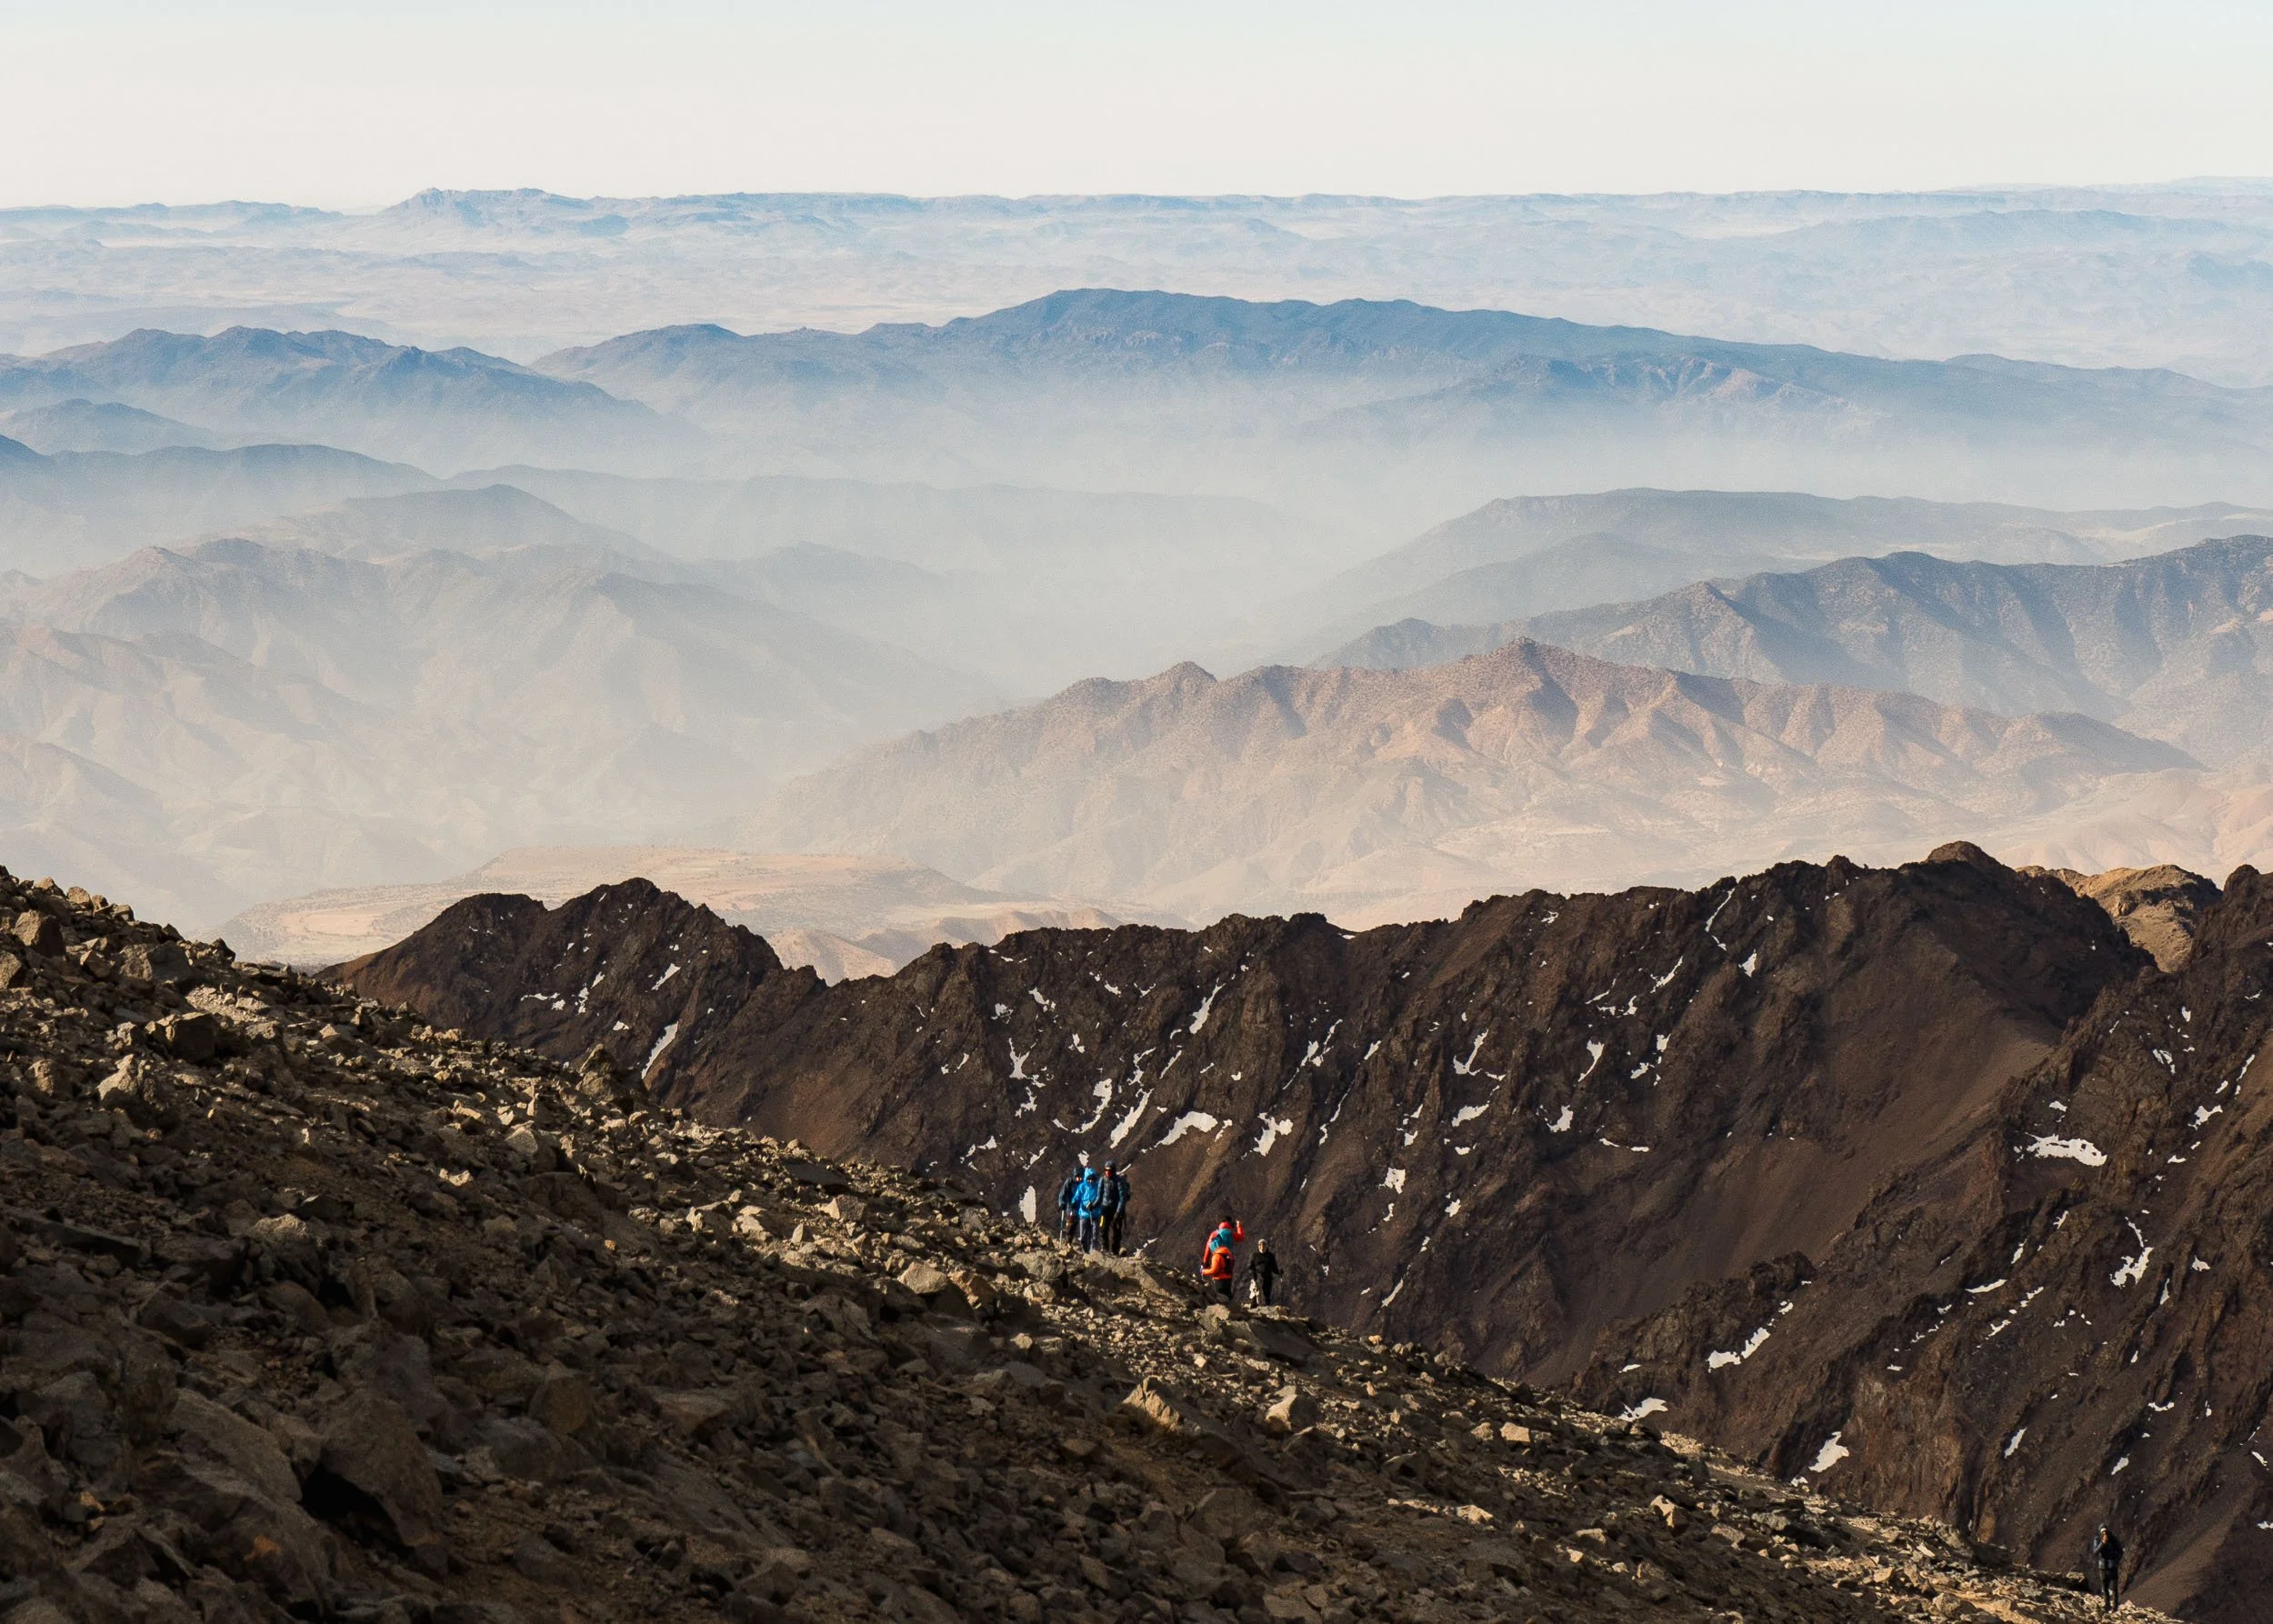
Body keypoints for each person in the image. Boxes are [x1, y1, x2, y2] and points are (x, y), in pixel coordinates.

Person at [1199, 1215, 1244, 1304]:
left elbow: (1207, 1249)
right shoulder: (1230, 1233)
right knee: (1228, 1287)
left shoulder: (1214, 1234)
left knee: (1220, 1292)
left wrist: (1204, 1264)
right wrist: (1239, 1226)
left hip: (1218, 1258)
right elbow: (1241, 1237)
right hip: (1228, 1259)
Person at [2088, 1525, 2123, 1613]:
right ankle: (2107, 1606)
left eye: (2105, 1531)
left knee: (2114, 1588)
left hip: (2112, 1567)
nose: (2104, 1533)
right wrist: (2103, 1543)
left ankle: (2115, 1607)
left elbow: (2120, 1551)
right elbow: (2095, 1552)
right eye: (2102, 1531)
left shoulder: (2113, 1539)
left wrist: (2116, 1560)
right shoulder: (2097, 1539)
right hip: (2103, 1567)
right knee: (2105, 1588)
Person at [1099, 1162, 1131, 1254]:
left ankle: (1113, 1251)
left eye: (1109, 1170)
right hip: (1107, 1209)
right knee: (1104, 1228)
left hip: (1116, 1210)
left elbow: (1122, 1198)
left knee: (1114, 1231)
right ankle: (1107, 1249)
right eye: (1106, 1170)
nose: (1107, 1172)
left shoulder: (1118, 1182)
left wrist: (1118, 1212)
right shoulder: (1104, 1181)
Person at [1073, 1166, 1105, 1251]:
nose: (1090, 1181)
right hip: (1084, 1214)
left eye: (1092, 1179)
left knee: (1094, 1234)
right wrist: (1073, 1202)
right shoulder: (1082, 1186)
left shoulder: (1098, 1187)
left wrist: (1095, 1205)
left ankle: (1093, 1251)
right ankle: (1085, 1251)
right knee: (1084, 1236)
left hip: (1095, 1214)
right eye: (1089, 1179)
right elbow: (1077, 1196)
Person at [1247, 1238, 1282, 1306]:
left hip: (1268, 1277)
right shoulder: (1254, 1256)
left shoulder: (1270, 1256)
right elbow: (1250, 1266)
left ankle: (1267, 1307)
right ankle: (1255, 1306)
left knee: (1267, 1294)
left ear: (1266, 1246)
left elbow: (1274, 1267)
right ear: (1258, 1246)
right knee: (1256, 1292)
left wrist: (1279, 1272)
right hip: (1257, 1277)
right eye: (1260, 1245)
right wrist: (1253, 1275)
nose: (1262, 1247)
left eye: (1263, 1245)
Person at [1055, 1166, 1084, 1243]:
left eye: (1081, 1177)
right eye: (1078, 1177)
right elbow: (1062, 1194)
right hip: (1070, 1207)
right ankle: (1067, 1242)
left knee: (1074, 1227)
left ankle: (1069, 1242)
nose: (1080, 1179)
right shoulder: (1070, 1182)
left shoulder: (1083, 1185)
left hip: (1079, 1209)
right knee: (1070, 1226)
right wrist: (1062, 1203)